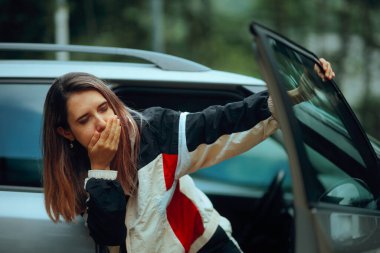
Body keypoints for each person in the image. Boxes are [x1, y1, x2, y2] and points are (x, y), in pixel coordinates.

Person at [42, 59, 334, 253]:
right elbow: (109, 237)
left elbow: (221, 122)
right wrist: (102, 169)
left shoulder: (154, 133)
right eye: (84, 120)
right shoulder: (79, 175)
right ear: (66, 133)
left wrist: (297, 93)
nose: (102, 123)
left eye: (104, 108)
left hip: (203, 244)